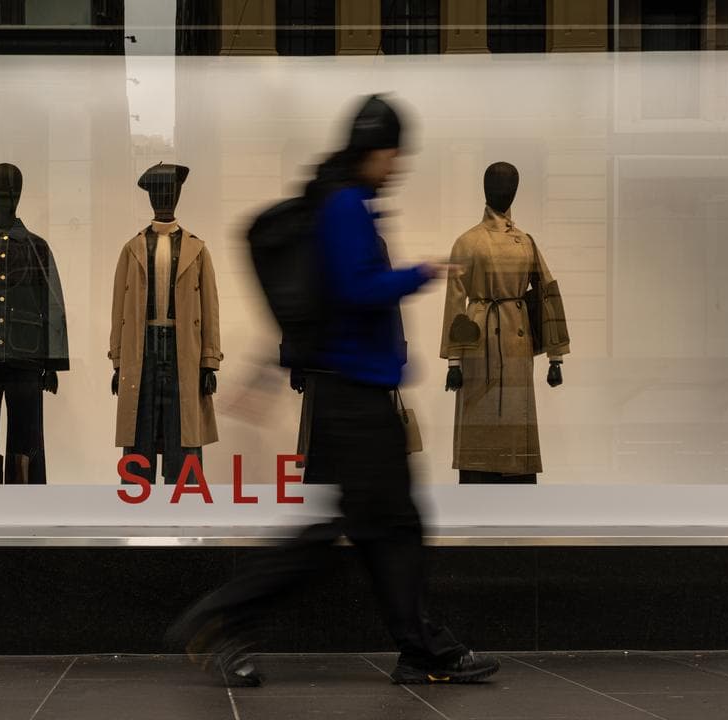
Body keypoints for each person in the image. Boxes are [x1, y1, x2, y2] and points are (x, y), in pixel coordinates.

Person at [167, 95, 501, 687]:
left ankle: (418, 646)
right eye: (393, 150)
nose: (398, 163)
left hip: (354, 392)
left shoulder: (344, 199)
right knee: (365, 529)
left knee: (383, 525)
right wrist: (419, 272)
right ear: (375, 149)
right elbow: (354, 288)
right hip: (353, 396)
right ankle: (226, 617)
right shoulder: (346, 204)